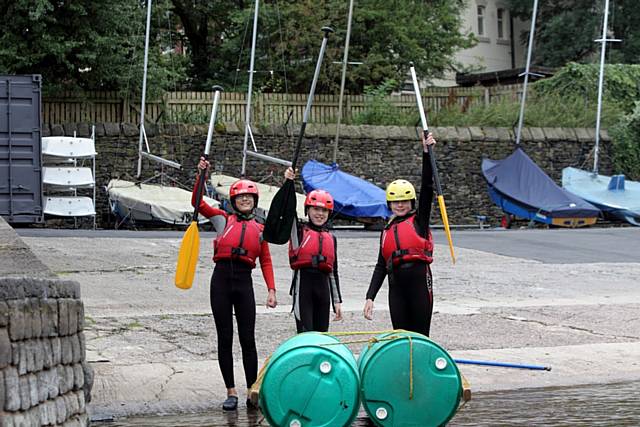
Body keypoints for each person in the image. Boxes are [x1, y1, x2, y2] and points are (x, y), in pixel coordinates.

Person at [192, 157, 277, 411]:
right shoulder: (221, 219)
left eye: (249, 198)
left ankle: (253, 391)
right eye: (240, 198)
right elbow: (196, 203)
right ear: (233, 201)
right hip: (220, 281)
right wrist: (201, 177)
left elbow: (267, 261)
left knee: (248, 339)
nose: (244, 201)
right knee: (225, 338)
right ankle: (231, 392)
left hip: (244, 283)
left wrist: (272, 290)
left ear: (254, 202)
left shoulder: (261, 229)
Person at [363, 132, 437, 336]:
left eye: (404, 201)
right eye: (396, 201)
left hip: (419, 285)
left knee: (420, 337)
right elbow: (380, 267)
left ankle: (420, 368)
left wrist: (426, 153)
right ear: (390, 204)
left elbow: (428, 188)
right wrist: (370, 297)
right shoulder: (386, 231)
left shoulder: (419, 222)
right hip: (396, 289)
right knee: (401, 337)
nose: (400, 205)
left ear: (411, 202)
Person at [282, 167, 342, 333]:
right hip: (303, 290)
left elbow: (333, 273)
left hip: (323, 293)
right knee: (306, 336)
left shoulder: (331, 238)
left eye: (324, 210)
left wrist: (337, 301)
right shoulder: (298, 232)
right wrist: (288, 183)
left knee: (322, 337)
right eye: (316, 209)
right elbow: (287, 209)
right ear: (307, 210)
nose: (320, 214)